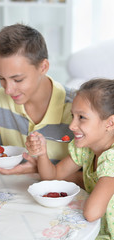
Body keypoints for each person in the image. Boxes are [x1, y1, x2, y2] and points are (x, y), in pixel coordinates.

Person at [0, 24, 75, 175]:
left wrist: (40, 170)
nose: (8, 90)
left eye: (18, 80)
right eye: (1, 78)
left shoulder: (76, 108)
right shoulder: (2, 99)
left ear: (43, 67)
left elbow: (92, 177)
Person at [26, 78, 114, 239]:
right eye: (73, 116)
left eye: (82, 117)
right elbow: (52, 177)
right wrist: (42, 154)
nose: (72, 125)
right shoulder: (86, 149)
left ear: (110, 123)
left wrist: (78, 179)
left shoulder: (112, 159)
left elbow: (92, 213)